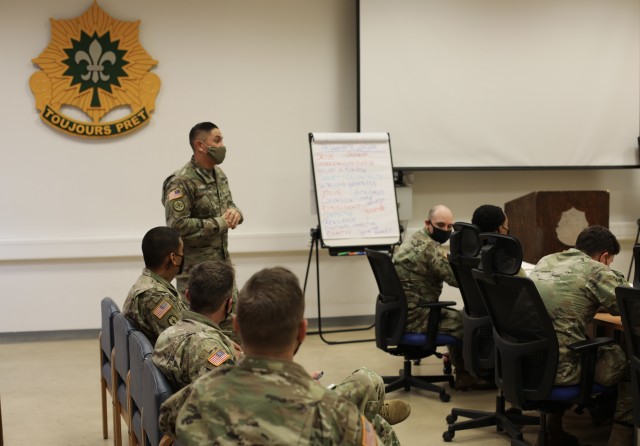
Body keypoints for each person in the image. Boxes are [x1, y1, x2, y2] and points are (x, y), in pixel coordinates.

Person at [159, 267, 409, 445]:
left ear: (237, 327)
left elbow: (167, 420)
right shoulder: (339, 416)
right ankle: (372, 408)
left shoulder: (199, 393)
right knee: (374, 417)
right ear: (302, 331)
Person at [529, 225, 632, 446]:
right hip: (563, 371)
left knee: (566, 338)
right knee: (631, 362)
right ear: (604, 257)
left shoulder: (547, 260)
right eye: (610, 261)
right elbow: (630, 308)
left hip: (530, 362)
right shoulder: (595, 269)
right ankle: (620, 439)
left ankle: (552, 431)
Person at [393, 205, 490, 390]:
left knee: (456, 316)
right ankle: (465, 375)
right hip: (418, 317)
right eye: (440, 225)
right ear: (427, 223)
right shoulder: (430, 249)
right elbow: (457, 280)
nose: (445, 230)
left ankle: (457, 364)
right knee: (467, 323)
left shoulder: (413, 240)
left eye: (449, 227)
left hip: (403, 314)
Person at [162, 121, 243, 295]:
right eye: (217, 140)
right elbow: (177, 226)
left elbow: (228, 204)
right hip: (196, 276)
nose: (222, 146)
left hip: (223, 269)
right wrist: (219, 223)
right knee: (200, 322)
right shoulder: (181, 181)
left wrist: (236, 213)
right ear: (200, 145)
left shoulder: (219, 174)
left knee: (231, 320)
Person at [153, 261, 241, 390]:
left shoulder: (167, 334)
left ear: (187, 295)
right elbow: (230, 400)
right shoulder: (209, 347)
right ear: (229, 303)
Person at [123, 227, 189, 344]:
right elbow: (183, 343)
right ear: (173, 258)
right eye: (181, 252)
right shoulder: (155, 297)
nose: (183, 256)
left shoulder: (149, 282)